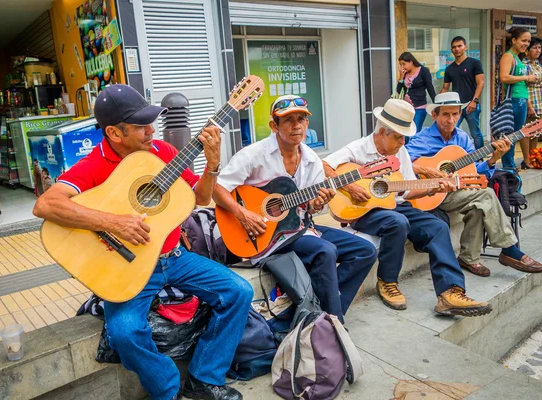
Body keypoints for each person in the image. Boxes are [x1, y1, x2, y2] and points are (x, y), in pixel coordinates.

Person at [33, 84, 252, 400]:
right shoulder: (96, 163)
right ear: (114, 133)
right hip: (128, 265)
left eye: (152, 122)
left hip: (174, 257)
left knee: (239, 292)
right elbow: (46, 205)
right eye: (141, 126)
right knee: (124, 332)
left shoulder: (163, 153)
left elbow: (201, 198)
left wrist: (212, 164)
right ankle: (166, 390)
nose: (152, 131)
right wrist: (114, 222)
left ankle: (204, 378)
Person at [213, 95, 377, 322]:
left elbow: (309, 207)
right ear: (274, 126)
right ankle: (333, 324)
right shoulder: (253, 155)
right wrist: (243, 214)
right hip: (263, 234)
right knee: (324, 250)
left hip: (297, 227)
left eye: (301, 119)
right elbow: (218, 189)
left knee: (365, 251)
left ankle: (324, 311)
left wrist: (318, 202)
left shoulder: (312, 160)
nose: (296, 125)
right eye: (288, 120)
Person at [323, 98, 491, 317]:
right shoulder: (359, 148)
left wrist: (434, 188)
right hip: (362, 210)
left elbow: (407, 190)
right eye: (398, 136)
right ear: (382, 132)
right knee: (397, 222)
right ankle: (387, 281)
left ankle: (450, 292)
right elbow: (323, 165)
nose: (403, 142)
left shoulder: (399, 151)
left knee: (438, 226)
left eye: (404, 136)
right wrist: (352, 187)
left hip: (394, 206)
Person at [405, 92, 542, 277]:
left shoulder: (462, 138)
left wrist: (494, 159)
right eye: (445, 114)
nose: (451, 119)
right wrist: (426, 170)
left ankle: (469, 257)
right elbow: (401, 163)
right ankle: (510, 249)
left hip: (454, 191)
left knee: (478, 205)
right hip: (428, 193)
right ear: (434, 115)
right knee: (485, 195)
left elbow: (474, 171)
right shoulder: (422, 139)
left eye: (455, 114)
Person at [499, 27, 537, 170]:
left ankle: (510, 165)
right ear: (514, 40)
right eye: (523, 40)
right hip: (513, 101)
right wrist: (527, 77)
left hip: (521, 100)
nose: (526, 44)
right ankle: (508, 166)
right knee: (511, 134)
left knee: (516, 134)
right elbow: (504, 77)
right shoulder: (508, 56)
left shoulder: (518, 58)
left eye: (528, 41)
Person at [441, 36, 485, 149]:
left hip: (472, 104)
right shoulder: (449, 68)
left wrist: (474, 101)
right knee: (451, 131)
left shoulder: (474, 63)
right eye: (454, 47)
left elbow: (481, 83)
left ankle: (479, 158)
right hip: (456, 107)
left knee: (475, 133)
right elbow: (445, 88)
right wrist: (439, 104)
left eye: (459, 46)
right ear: (451, 50)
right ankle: (455, 155)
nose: (457, 49)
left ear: (465, 47)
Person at [396, 52, 436, 133]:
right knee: (406, 133)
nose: (402, 67)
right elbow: (400, 91)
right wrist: (401, 78)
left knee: (415, 131)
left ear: (411, 62)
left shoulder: (423, 71)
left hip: (419, 107)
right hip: (407, 108)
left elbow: (430, 88)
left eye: (404, 64)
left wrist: (436, 105)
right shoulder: (405, 74)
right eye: (400, 65)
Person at [522, 36, 542, 169]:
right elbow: (522, 86)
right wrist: (529, 105)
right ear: (527, 50)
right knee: (526, 131)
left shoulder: (538, 65)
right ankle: (525, 159)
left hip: (539, 101)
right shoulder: (524, 65)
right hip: (529, 101)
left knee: (536, 131)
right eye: (534, 48)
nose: (537, 50)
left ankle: (533, 157)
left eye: (539, 47)